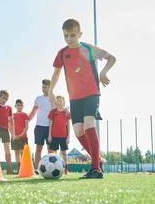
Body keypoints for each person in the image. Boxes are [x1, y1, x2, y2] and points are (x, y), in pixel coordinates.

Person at [49, 18, 116, 179]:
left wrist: (103, 72)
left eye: (72, 35)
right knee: (78, 130)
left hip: (91, 93)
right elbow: (56, 73)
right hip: (74, 98)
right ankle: (97, 160)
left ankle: (96, 169)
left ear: (80, 34)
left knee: (88, 124)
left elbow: (112, 58)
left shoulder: (88, 49)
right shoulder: (62, 53)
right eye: (66, 36)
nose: (69, 39)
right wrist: (51, 90)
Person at [28, 79, 53, 171]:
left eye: (45, 87)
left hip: (50, 127)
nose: (43, 89)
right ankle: (36, 168)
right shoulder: (38, 99)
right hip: (39, 127)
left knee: (50, 149)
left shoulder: (53, 99)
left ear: (50, 87)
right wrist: (27, 120)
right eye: (42, 87)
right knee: (38, 148)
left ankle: (51, 168)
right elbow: (33, 112)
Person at [48, 96, 71, 174]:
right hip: (54, 136)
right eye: (57, 101)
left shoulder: (66, 112)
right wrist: (49, 135)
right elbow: (50, 124)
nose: (59, 102)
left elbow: (68, 125)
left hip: (64, 136)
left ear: (64, 102)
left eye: (61, 101)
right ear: (56, 102)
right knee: (53, 153)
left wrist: (68, 137)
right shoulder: (53, 112)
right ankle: (53, 168)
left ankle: (66, 169)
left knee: (64, 153)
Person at [11, 99, 30, 172]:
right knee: (16, 152)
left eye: (21, 105)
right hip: (14, 137)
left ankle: (24, 168)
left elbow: (26, 126)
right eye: (18, 105)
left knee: (23, 152)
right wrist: (13, 135)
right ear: (15, 106)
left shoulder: (25, 115)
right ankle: (19, 169)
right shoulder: (12, 115)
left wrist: (21, 135)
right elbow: (10, 125)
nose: (20, 107)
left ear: (23, 106)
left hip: (23, 137)